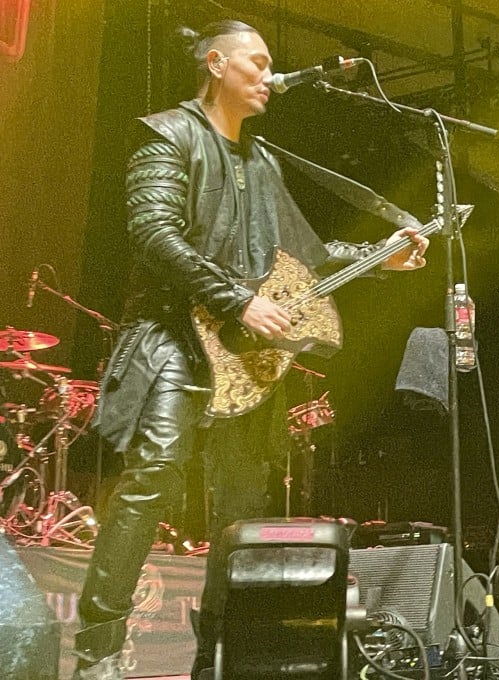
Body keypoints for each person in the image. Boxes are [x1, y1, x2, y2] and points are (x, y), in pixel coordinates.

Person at [72, 21, 429, 680]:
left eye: (270, 67)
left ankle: (221, 659)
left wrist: (384, 259)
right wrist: (238, 301)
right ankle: (97, 651)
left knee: (241, 506)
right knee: (152, 481)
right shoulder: (166, 135)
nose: (268, 77)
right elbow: (154, 234)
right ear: (215, 63)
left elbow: (304, 258)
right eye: (256, 64)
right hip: (173, 335)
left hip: (242, 355)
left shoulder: (261, 162)